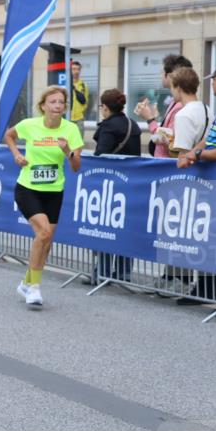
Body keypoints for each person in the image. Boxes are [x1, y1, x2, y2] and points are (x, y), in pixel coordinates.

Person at [4, 86, 84, 308]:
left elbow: (76, 166)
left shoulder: (71, 130)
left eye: (61, 102)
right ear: (43, 106)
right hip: (28, 188)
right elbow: (9, 135)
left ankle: (26, 283)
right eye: (53, 102)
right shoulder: (30, 125)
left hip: (54, 192)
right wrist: (17, 154)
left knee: (46, 242)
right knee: (44, 232)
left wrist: (68, 151)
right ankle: (34, 288)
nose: (57, 106)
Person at [176, 62, 216, 308]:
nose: (212, 83)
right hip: (213, 182)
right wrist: (194, 151)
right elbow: (211, 137)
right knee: (209, 235)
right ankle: (207, 288)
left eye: (214, 79)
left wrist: (197, 155)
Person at [87, 88, 140, 284]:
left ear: (105, 107)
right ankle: (124, 272)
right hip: (131, 184)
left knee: (106, 228)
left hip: (110, 185)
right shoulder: (132, 124)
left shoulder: (109, 126)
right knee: (126, 228)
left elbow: (101, 156)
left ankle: (102, 271)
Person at [134, 54, 192, 158]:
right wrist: (151, 115)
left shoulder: (180, 106)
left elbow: (170, 142)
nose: (160, 75)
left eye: (162, 72)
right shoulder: (174, 101)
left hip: (168, 164)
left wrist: (149, 119)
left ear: (170, 76)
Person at [70, 60, 88, 138]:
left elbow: (85, 102)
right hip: (68, 118)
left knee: (79, 141)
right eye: (74, 69)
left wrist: (81, 112)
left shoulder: (83, 85)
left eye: (78, 69)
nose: (76, 71)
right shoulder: (66, 84)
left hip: (79, 119)